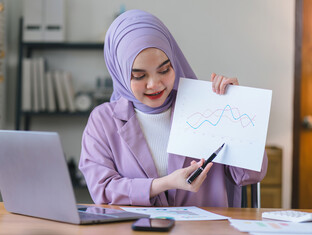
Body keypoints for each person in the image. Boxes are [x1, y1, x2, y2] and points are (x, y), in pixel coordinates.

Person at [79, 9, 267, 207]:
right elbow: (102, 189)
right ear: (119, 73)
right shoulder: (103, 121)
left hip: (205, 233)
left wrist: (238, 106)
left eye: (164, 70)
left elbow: (251, 175)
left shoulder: (207, 108)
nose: (155, 84)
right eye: (140, 76)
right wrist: (164, 184)